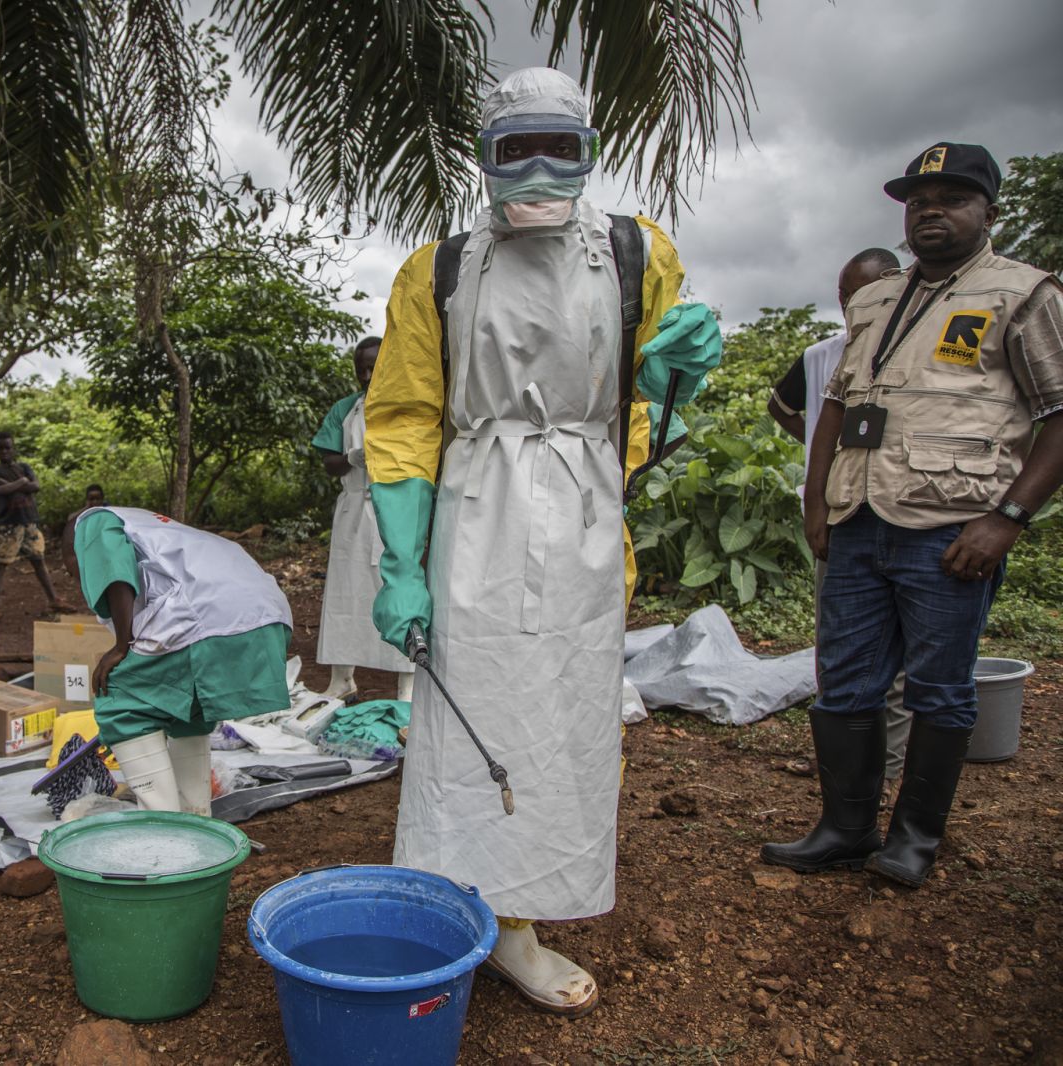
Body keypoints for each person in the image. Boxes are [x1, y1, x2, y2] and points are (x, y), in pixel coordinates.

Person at [364, 67, 722, 1016]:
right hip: (474, 512)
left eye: (555, 148)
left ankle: (525, 908)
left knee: (562, 714)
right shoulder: (433, 271)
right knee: (467, 713)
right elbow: (402, 419)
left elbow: (643, 399)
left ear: (589, 149)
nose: (534, 170)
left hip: (585, 513)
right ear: (483, 157)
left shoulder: (636, 252)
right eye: (512, 148)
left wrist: (671, 365)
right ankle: (470, 909)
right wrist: (400, 566)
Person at [764, 143, 1063, 888]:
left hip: (953, 527)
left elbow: (1059, 415)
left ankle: (915, 839)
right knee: (848, 683)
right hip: (858, 519)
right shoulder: (876, 298)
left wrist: (1009, 518)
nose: (931, 209)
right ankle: (845, 828)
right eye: (918, 198)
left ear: (989, 212)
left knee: (938, 688)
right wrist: (816, 498)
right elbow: (833, 405)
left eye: (953, 197)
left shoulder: (1021, 294)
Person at [768, 248, 913, 798]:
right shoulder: (822, 356)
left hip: (906, 511)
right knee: (840, 642)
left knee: (899, 654)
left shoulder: (917, 350)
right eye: (850, 296)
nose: (861, 304)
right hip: (838, 513)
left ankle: (892, 766)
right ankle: (845, 766)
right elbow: (781, 408)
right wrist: (817, 454)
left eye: (874, 291)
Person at [72, 506, 293, 814]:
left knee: (121, 697)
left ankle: (162, 823)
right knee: (187, 705)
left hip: (206, 618)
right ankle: (197, 817)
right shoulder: (148, 524)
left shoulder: (93, 522)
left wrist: (121, 646)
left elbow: (114, 573)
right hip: (266, 615)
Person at [312, 336, 417, 703]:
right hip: (355, 508)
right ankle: (342, 678)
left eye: (375, 367)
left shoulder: (406, 406)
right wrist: (352, 458)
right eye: (362, 369)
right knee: (346, 593)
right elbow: (328, 463)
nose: (369, 375)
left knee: (398, 592)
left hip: (396, 510)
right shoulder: (346, 409)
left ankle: (407, 682)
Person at [0, 431, 73, 621]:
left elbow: (35, 486)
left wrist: (15, 484)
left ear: (13, 448)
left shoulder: (24, 467)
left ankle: (53, 599)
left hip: (29, 521)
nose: (4, 451)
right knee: (0, 564)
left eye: (7, 447)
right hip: (7, 524)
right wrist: (21, 482)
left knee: (38, 560)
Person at [62, 483, 107, 581]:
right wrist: (87, 507)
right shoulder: (86, 513)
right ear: (87, 500)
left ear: (102, 499)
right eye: (91, 499)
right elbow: (70, 519)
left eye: (97, 499)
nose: (95, 502)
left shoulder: (108, 510)